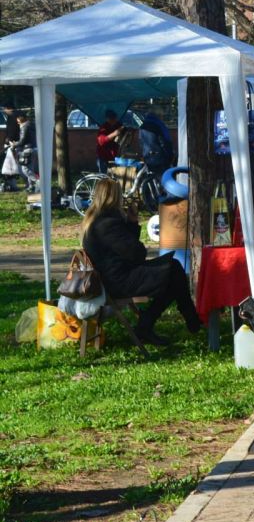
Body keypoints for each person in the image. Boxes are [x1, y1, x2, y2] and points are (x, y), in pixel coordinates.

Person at [81, 178, 201, 346]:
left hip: (114, 276)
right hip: (118, 281)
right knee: (173, 271)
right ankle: (178, 319)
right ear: (114, 198)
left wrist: (131, 223)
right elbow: (136, 254)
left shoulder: (96, 221)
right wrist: (131, 226)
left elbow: (127, 251)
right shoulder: (107, 225)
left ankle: (175, 319)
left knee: (173, 271)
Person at [138, 108, 175, 175]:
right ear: (159, 115)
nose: (162, 117)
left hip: (147, 157)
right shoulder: (160, 125)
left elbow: (141, 142)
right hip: (160, 159)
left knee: (150, 178)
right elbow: (165, 142)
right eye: (162, 115)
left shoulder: (142, 126)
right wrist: (170, 155)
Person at [12, 112, 37, 192]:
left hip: (27, 150)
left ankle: (38, 181)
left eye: (18, 118)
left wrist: (14, 144)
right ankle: (31, 187)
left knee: (25, 169)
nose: (17, 120)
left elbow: (22, 140)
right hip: (34, 148)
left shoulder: (25, 127)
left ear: (21, 118)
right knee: (30, 168)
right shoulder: (31, 125)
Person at [2, 105, 20, 192]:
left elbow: (12, 131)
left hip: (12, 143)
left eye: (5, 109)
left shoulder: (12, 117)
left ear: (9, 108)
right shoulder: (14, 116)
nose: (4, 111)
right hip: (12, 143)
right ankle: (12, 184)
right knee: (11, 166)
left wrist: (8, 141)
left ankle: (12, 184)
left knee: (11, 166)